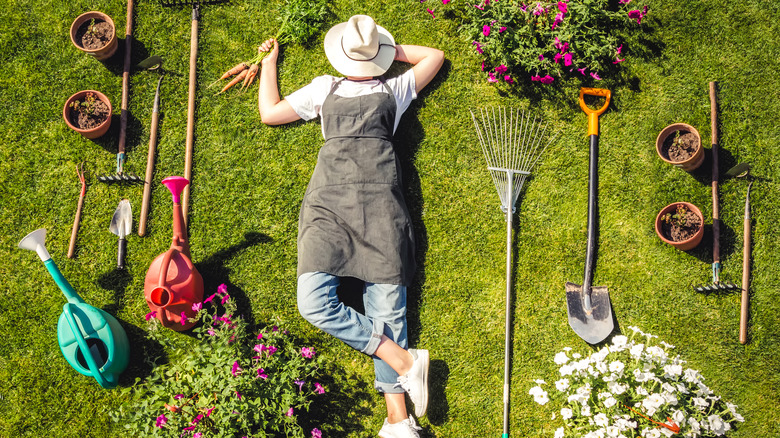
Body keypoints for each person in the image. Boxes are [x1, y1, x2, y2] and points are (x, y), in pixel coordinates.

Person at [258, 14, 444, 438]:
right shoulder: (326, 88)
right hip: (330, 205)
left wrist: (381, 53)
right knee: (313, 303)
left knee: (387, 307)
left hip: (381, 204)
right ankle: (403, 361)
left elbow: (436, 56)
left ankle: (398, 420)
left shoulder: (394, 89)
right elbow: (270, 113)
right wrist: (270, 64)